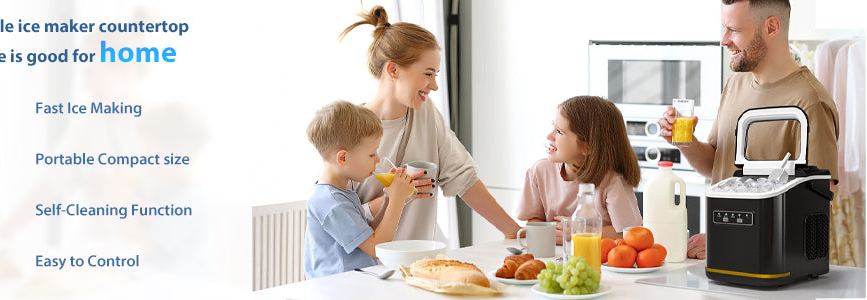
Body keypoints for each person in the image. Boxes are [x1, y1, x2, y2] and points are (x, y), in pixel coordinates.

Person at [658, 0, 839, 259]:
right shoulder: (735, 85)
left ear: (772, 27)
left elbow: (815, 211)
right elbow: (715, 166)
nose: (724, 40)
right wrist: (685, 142)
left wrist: (730, 238)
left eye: (734, 29)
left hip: (772, 270)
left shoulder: (810, 101)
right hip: (720, 258)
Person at [339, 6, 522, 241]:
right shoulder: (347, 128)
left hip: (422, 261)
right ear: (393, 69)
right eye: (427, 74)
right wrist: (395, 195)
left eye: (436, 74)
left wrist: (514, 231)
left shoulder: (424, 113)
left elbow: (464, 179)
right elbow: (338, 218)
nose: (434, 85)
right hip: (369, 268)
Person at [303, 100, 415, 279]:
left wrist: (388, 198)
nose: (377, 160)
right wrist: (398, 199)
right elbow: (377, 248)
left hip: (353, 285)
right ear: (343, 158)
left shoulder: (341, 193)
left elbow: (368, 235)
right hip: (337, 291)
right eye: (372, 154)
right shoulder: (332, 202)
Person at [516, 96, 644, 243]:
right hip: (554, 258)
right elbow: (534, 219)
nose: (549, 136)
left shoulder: (612, 181)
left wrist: (581, 231)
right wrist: (547, 232)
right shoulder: (540, 171)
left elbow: (629, 233)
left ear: (587, 146)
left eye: (559, 131)